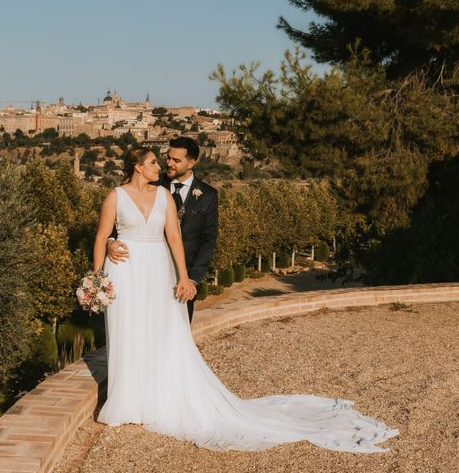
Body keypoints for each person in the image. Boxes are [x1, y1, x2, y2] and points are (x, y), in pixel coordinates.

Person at [91, 146, 398, 452]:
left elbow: (174, 237)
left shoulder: (164, 197)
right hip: (125, 271)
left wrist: (184, 277)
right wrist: (97, 280)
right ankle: (129, 401)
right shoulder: (115, 197)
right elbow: (101, 237)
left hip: (160, 269)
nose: (160, 166)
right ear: (137, 167)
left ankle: (159, 397)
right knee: (128, 332)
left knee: (164, 333)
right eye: (153, 162)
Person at [106, 137, 218, 323]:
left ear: (192, 163)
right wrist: (110, 241)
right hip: (143, 270)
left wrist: (193, 279)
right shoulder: (153, 182)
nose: (168, 163)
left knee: (176, 330)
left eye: (176, 160)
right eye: (168, 158)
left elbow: (208, 239)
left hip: (184, 276)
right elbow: (124, 214)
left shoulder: (208, 195)